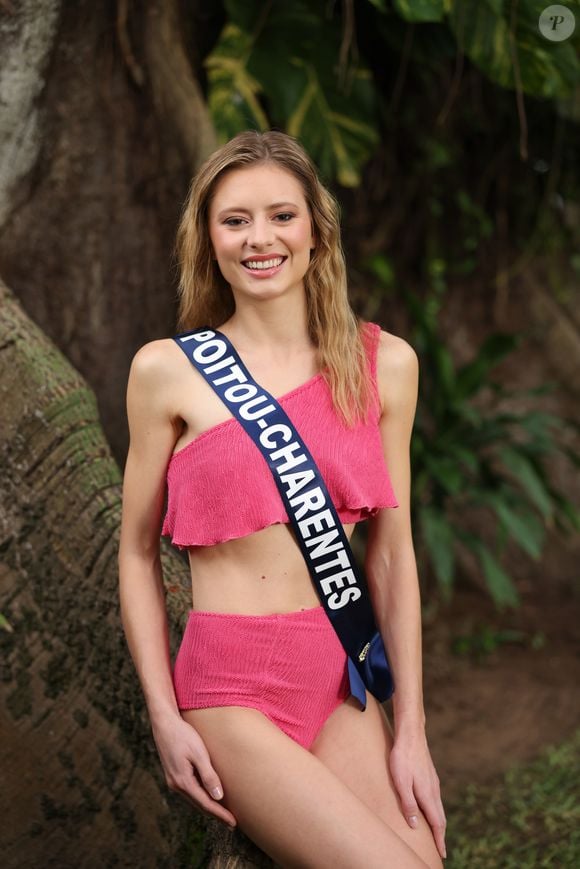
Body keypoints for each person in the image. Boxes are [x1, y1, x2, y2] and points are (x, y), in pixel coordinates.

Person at [118, 129, 446, 868]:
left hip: (338, 677)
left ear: (316, 233)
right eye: (234, 220)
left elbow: (391, 551)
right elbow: (136, 553)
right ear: (208, 239)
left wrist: (412, 731)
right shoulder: (167, 372)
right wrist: (164, 716)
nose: (259, 238)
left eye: (281, 216)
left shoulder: (384, 365)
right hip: (229, 687)